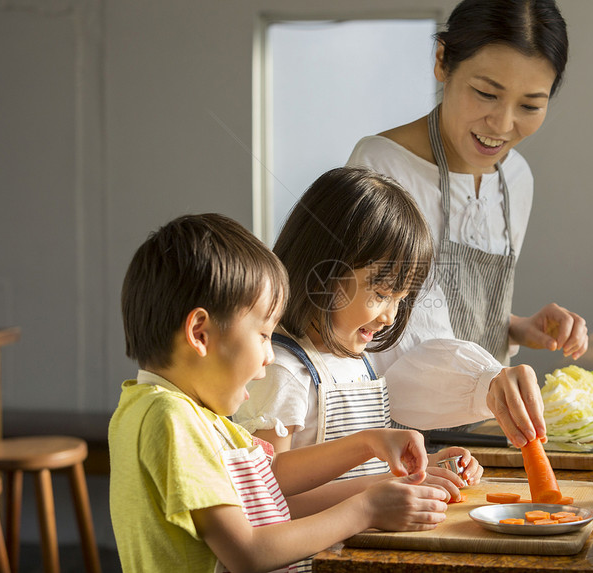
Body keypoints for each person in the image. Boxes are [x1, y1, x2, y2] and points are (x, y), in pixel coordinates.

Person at [109, 213, 449, 573]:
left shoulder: (186, 414)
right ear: (200, 333)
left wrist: (369, 442)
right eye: (263, 335)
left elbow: (271, 475)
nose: (271, 355)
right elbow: (248, 552)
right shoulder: (170, 419)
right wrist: (366, 510)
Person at [346, 0, 588, 448]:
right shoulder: (379, 168)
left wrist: (513, 326)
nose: (502, 124)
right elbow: (379, 338)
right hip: (395, 442)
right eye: (486, 93)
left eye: (530, 105)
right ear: (442, 61)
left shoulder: (516, 180)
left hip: (482, 435)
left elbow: (438, 306)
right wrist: (486, 383)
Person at [234, 167, 483, 491]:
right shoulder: (284, 372)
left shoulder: (355, 361)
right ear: (322, 275)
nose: (390, 318)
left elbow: (368, 472)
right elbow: (269, 490)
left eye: (400, 300)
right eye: (381, 295)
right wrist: (372, 494)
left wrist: (428, 465)